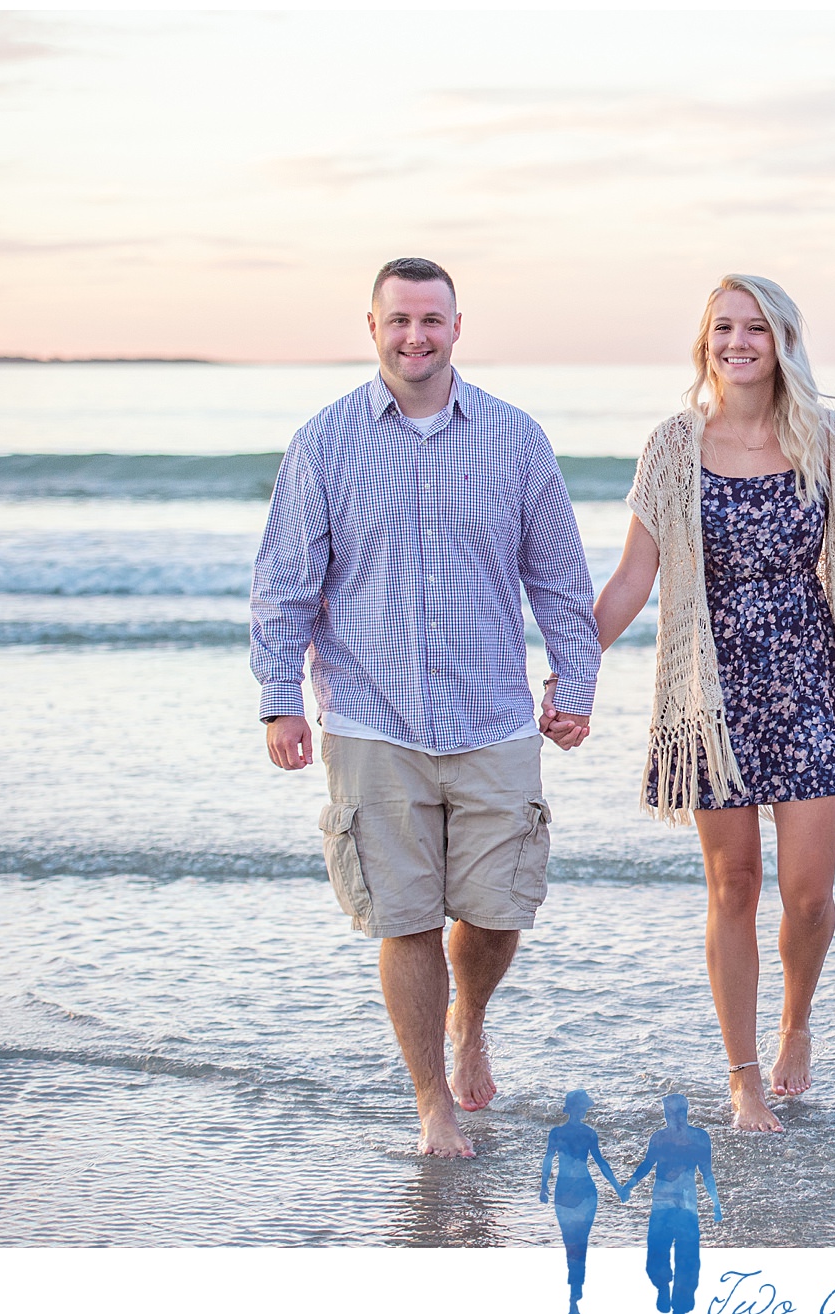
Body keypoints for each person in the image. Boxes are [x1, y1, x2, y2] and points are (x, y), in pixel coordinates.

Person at [250, 257, 599, 1158]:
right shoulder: (323, 443)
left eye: (432, 320)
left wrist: (578, 682)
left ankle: (469, 1018)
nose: (416, 335)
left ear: (456, 326)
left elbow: (558, 578)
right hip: (373, 719)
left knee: (497, 912)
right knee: (402, 918)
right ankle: (431, 1103)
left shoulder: (515, 439)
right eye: (399, 319)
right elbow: (284, 586)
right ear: (371, 327)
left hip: (493, 716)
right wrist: (278, 701)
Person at [593, 274, 835, 1131]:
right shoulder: (671, 446)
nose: (739, 343)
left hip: (811, 683)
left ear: (782, 342)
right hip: (711, 694)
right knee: (733, 885)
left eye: (756, 329)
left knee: (807, 895)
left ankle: (795, 1023)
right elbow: (633, 577)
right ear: (707, 343)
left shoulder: (828, 440)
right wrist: (573, 662)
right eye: (724, 328)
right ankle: (742, 1077)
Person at [620, 1093, 724, 1314]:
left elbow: (707, 1173)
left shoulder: (700, 1138)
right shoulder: (659, 1139)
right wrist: (629, 1185)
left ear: (683, 1113)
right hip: (663, 1206)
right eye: (669, 1113)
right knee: (658, 1256)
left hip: (685, 1208)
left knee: (687, 1260)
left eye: (674, 1113)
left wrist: (716, 1204)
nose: (671, 1117)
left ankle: (679, 1310)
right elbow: (647, 1165)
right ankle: (663, 1287)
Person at [541, 1089, 623, 1314]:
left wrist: (543, 1187)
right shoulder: (588, 1133)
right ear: (577, 1108)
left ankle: (574, 1289)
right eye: (584, 1106)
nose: (585, 1110)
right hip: (583, 1190)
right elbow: (601, 1163)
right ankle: (576, 1289)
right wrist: (618, 1188)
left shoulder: (559, 1133)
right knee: (578, 1242)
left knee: (572, 1242)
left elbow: (549, 1160)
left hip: (568, 1190)